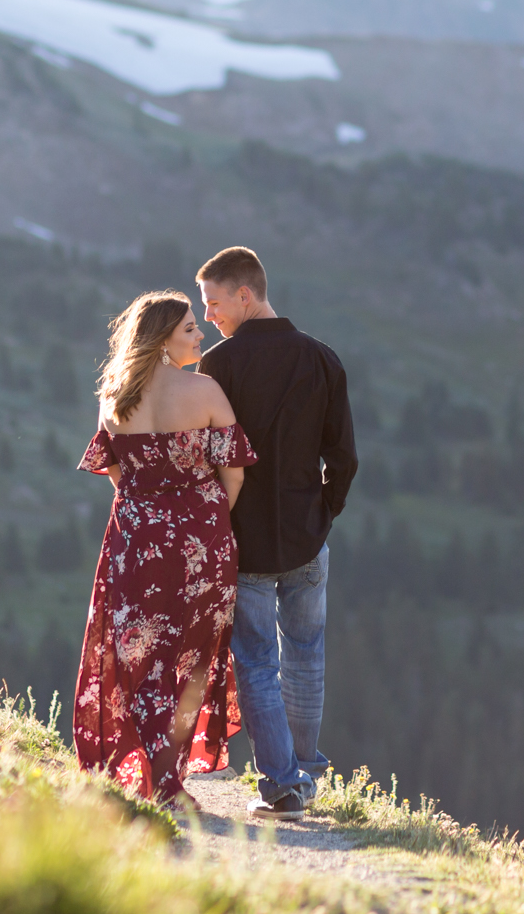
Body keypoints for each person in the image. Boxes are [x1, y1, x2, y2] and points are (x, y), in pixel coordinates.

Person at [72, 289, 257, 806]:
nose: (200, 335)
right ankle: (168, 781)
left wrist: (148, 509)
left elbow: (115, 475)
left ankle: (148, 773)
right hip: (201, 540)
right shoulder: (204, 391)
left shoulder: (113, 397)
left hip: (135, 536)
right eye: (190, 329)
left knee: (139, 652)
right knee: (191, 655)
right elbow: (235, 473)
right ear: (161, 339)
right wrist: (206, 512)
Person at [194, 246, 358, 818]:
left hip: (245, 541)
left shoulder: (217, 368)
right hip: (307, 537)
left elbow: (207, 461)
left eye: (213, 303)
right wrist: (322, 513)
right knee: (307, 653)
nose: (208, 316)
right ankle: (306, 773)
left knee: (258, 660)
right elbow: (344, 457)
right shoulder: (322, 359)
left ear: (245, 294)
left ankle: (285, 788)